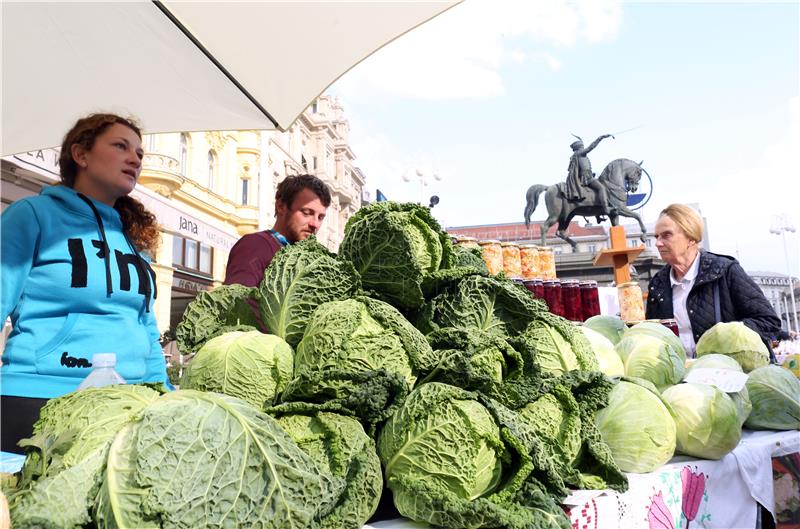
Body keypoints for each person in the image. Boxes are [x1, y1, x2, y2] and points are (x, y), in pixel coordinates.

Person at [0, 114, 169, 453]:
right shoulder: (31, 215)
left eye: (139, 152)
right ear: (81, 155)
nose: (135, 158)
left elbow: (145, 327)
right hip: (40, 399)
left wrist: (163, 393)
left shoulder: (135, 239)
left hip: (128, 404)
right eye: (120, 146)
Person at [645, 203, 781, 356]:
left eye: (666, 235)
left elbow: (769, 321)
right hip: (681, 377)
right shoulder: (657, 284)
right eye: (657, 236)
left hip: (727, 373)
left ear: (691, 238)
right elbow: (653, 337)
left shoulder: (725, 270)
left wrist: (726, 334)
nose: (658, 243)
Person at [224, 174, 331, 287]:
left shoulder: (308, 259)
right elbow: (237, 301)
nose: (315, 224)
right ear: (281, 206)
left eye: (320, 217)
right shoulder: (255, 245)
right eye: (306, 213)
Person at [565, 134, 613, 210]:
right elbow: (591, 147)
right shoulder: (580, 153)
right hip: (587, 178)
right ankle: (606, 207)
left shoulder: (576, 155)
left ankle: (597, 214)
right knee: (602, 188)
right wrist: (600, 138)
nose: (584, 148)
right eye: (582, 146)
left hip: (586, 176)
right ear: (579, 147)